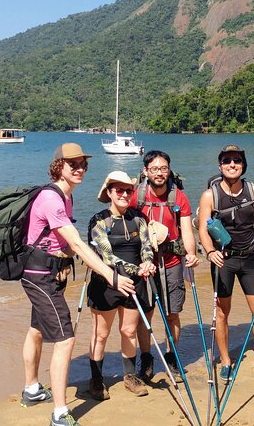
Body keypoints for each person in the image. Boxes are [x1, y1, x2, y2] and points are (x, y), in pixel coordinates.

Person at [20, 143, 135, 426]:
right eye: (74, 164)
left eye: (83, 163)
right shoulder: (52, 199)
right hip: (39, 276)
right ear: (59, 166)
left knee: (36, 330)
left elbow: (65, 244)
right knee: (65, 338)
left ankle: (32, 389)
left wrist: (74, 254)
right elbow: (76, 244)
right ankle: (60, 413)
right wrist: (111, 275)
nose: (81, 168)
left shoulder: (65, 196)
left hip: (47, 273)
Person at [197, 144, 254, 381]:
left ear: (243, 165)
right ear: (220, 166)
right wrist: (208, 251)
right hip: (222, 261)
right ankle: (226, 361)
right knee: (222, 312)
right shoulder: (210, 195)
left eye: (236, 160)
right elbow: (202, 227)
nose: (232, 164)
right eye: (227, 161)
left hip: (249, 259)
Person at [130, 150, 200, 383]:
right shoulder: (135, 195)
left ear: (169, 170)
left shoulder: (179, 197)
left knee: (172, 314)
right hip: (144, 264)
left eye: (163, 168)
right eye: (154, 169)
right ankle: (147, 359)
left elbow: (187, 230)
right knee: (145, 314)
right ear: (145, 171)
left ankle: (171, 357)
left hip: (171, 262)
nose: (159, 173)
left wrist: (191, 254)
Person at [87, 171, 157, 400]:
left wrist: (147, 263)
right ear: (109, 193)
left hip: (132, 285)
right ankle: (96, 381)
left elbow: (146, 246)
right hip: (105, 284)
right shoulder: (98, 221)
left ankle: (129, 377)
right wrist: (137, 269)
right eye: (119, 190)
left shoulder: (139, 218)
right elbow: (106, 257)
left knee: (128, 331)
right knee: (101, 334)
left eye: (129, 190)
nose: (125, 194)